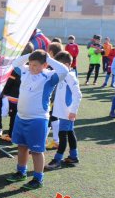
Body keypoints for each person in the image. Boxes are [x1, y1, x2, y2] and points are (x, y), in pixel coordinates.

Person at [6, 49, 68, 190]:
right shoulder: (25, 71)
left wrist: (48, 58)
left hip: (37, 120)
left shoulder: (49, 76)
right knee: (21, 147)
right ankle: (21, 171)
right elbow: (15, 63)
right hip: (21, 117)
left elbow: (64, 71)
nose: (33, 68)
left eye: (36, 65)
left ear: (45, 65)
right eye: (31, 64)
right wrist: (30, 55)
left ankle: (38, 178)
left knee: (36, 151)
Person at [45, 51, 82, 170]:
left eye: (58, 65)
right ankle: (73, 156)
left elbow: (78, 94)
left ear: (66, 65)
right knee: (70, 132)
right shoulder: (61, 75)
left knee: (62, 135)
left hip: (67, 112)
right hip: (62, 111)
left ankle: (57, 160)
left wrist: (73, 111)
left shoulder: (70, 76)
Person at [1, 43, 34, 141]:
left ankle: (11, 135)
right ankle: (22, 135)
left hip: (14, 97)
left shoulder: (18, 69)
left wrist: (4, 92)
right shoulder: (33, 68)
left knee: (14, 116)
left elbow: (10, 82)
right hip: (26, 98)